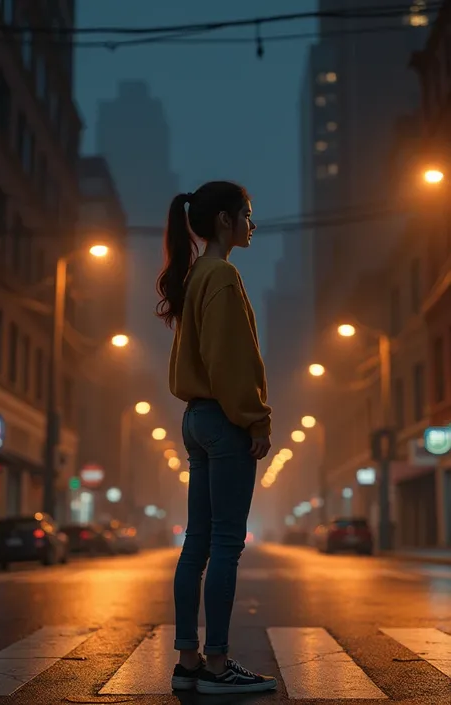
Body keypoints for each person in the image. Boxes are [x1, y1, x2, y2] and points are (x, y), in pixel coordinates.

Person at [156, 181, 276, 695]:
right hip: (224, 421)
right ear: (226, 220)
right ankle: (218, 663)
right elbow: (230, 362)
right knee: (226, 543)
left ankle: (188, 661)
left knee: (197, 545)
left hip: (195, 419)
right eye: (247, 214)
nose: (252, 223)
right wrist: (256, 418)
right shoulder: (222, 275)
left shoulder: (196, 275)